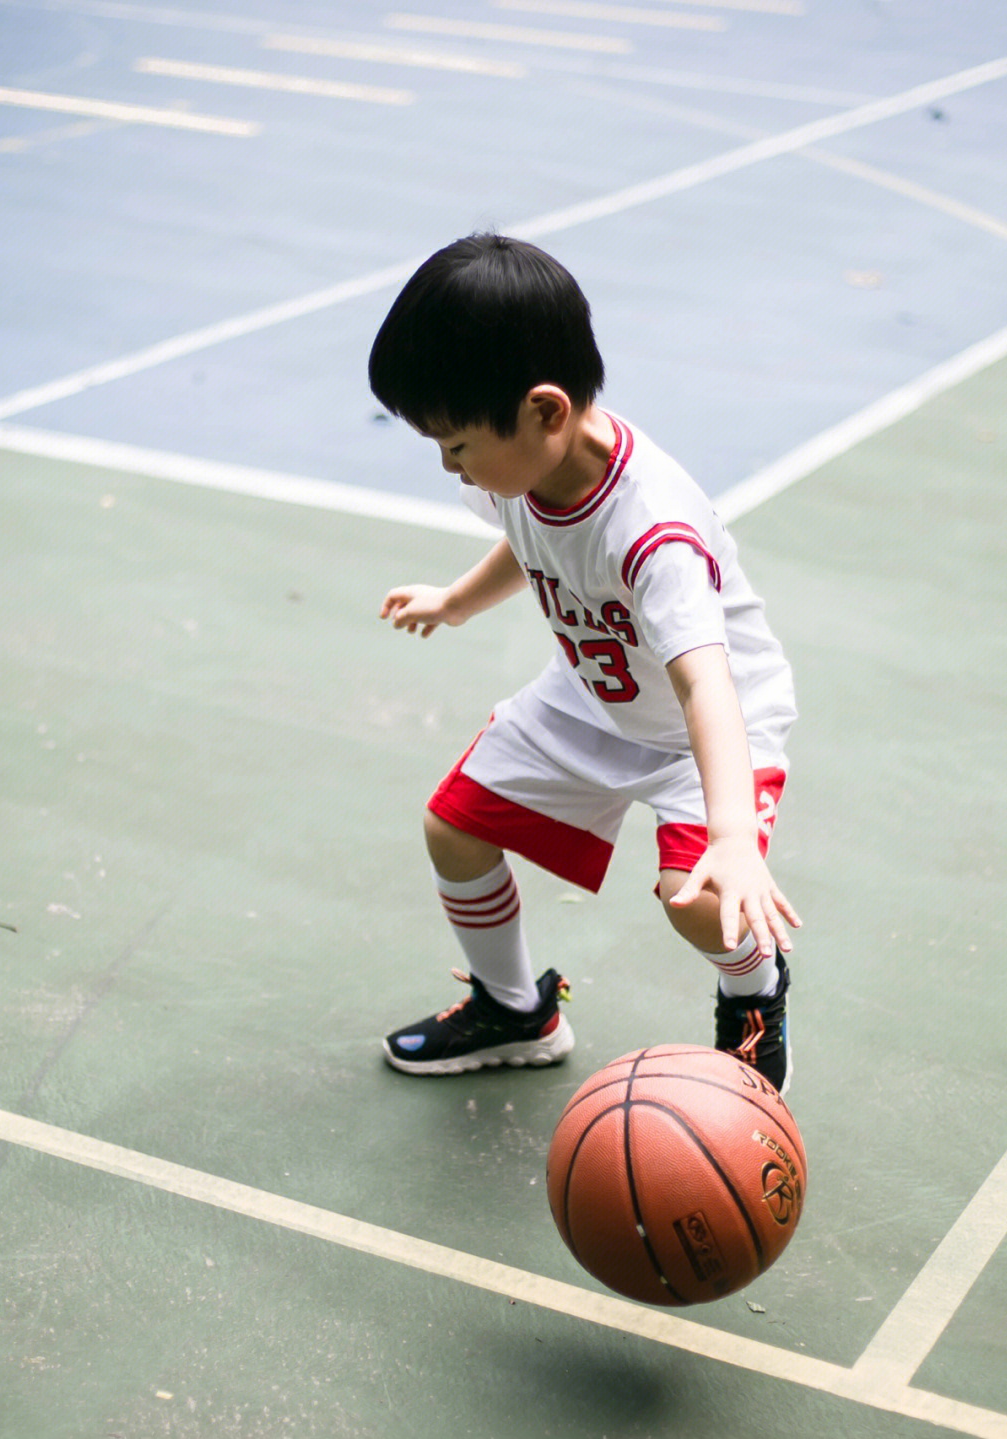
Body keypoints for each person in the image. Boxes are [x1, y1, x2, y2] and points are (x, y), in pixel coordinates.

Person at [369, 233, 801, 1092]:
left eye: (454, 444)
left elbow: (702, 681)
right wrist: (456, 599)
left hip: (709, 727)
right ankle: (516, 1006)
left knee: (703, 900)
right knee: (454, 830)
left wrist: (731, 840)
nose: (447, 463)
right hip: (596, 695)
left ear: (546, 411)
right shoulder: (520, 466)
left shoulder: (654, 532)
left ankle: (755, 997)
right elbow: (530, 542)